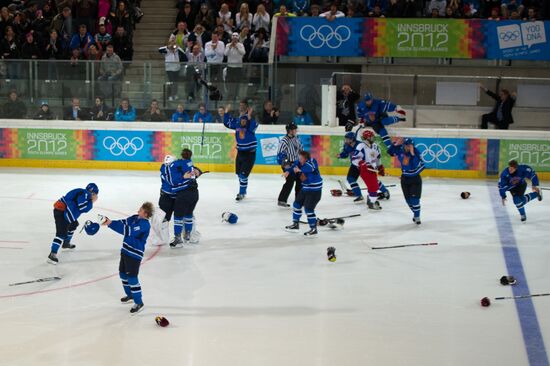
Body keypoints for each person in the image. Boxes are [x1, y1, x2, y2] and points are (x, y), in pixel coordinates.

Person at [102, 201, 153, 314]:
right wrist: (108, 222)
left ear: (145, 214)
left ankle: (139, 302)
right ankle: (130, 295)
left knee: (132, 278)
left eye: (140, 210)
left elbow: (127, 230)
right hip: (125, 251)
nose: (137, 211)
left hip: (134, 255)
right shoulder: (135, 218)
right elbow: (123, 222)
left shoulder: (144, 225)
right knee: (122, 274)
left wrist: (110, 224)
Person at [47, 183, 99, 264]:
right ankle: (52, 255)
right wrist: (92, 201)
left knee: (73, 224)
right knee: (61, 234)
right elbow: (82, 207)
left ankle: (66, 243)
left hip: (64, 210)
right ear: (93, 193)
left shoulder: (83, 192)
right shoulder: (85, 193)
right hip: (61, 211)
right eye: (95, 194)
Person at [384, 137, 425, 225]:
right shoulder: (401, 150)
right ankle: (415, 214)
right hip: (404, 179)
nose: (408, 147)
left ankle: (417, 216)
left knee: (415, 200)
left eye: (410, 146)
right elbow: (390, 152)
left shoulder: (416, 152)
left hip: (415, 179)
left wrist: (412, 154)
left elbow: (419, 166)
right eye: (407, 146)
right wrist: (395, 144)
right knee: (408, 201)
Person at [168, 148, 203, 246]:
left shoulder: (177, 164)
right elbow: (197, 171)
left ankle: (178, 237)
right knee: (188, 214)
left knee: (178, 216)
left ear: (181, 155)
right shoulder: (190, 163)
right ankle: (187, 234)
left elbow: (173, 179)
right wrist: (199, 172)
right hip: (195, 193)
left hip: (184, 194)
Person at [223, 105, 258, 201]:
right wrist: (226, 112)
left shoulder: (250, 126)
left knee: (243, 175)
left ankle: (241, 193)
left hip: (250, 154)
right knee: (239, 174)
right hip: (240, 153)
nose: (243, 121)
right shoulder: (237, 125)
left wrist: (249, 116)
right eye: (242, 120)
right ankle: (244, 190)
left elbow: (254, 124)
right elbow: (227, 122)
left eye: (245, 120)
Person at [284, 150, 323, 237]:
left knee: (309, 210)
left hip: (314, 190)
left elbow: (306, 180)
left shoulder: (310, 166)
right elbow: (294, 165)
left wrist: (299, 172)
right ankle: (295, 225)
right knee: (296, 205)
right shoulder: (300, 162)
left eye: (301, 158)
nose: (299, 159)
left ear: (305, 159)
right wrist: (288, 171)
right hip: (305, 188)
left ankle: (313, 229)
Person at [277, 123, 303, 208]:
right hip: (287, 163)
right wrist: (287, 168)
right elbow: (280, 156)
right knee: (290, 181)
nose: (296, 131)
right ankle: (282, 200)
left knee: (300, 181)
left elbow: (301, 151)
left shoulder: (297, 139)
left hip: (296, 163)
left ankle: (299, 201)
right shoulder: (284, 141)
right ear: (290, 131)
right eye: (295, 129)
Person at [337, 131, 368, 203]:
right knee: (350, 179)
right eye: (345, 139)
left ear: (352, 139)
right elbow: (345, 153)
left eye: (348, 139)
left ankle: (385, 192)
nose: (346, 140)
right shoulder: (346, 145)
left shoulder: (360, 145)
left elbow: (366, 155)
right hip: (355, 165)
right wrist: (340, 155)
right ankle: (359, 195)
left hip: (364, 166)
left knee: (370, 181)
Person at [361, 129, 390, 201]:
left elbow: (378, 157)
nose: (373, 138)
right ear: (366, 138)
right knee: (373, 182)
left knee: (373, 182)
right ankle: (384, 191)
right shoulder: (361, 146)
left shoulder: (375, 146)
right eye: (371, 137)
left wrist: (379, 166)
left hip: (371, 166)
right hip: (364, 167)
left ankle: (382, 192)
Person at [224, 32, 246, 100]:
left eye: (236, 36)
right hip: (230, 66)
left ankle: (236, 95)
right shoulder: (228, 45)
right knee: (230, 82)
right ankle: (230, 95)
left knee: (237, 82)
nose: (234, 38)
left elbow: (243, 53)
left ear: (238, 38)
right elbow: (225, 54)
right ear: (231, 38)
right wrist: (230, 47)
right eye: (233, 36)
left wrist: (236, 47)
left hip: (238, 67)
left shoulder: (241, 45)